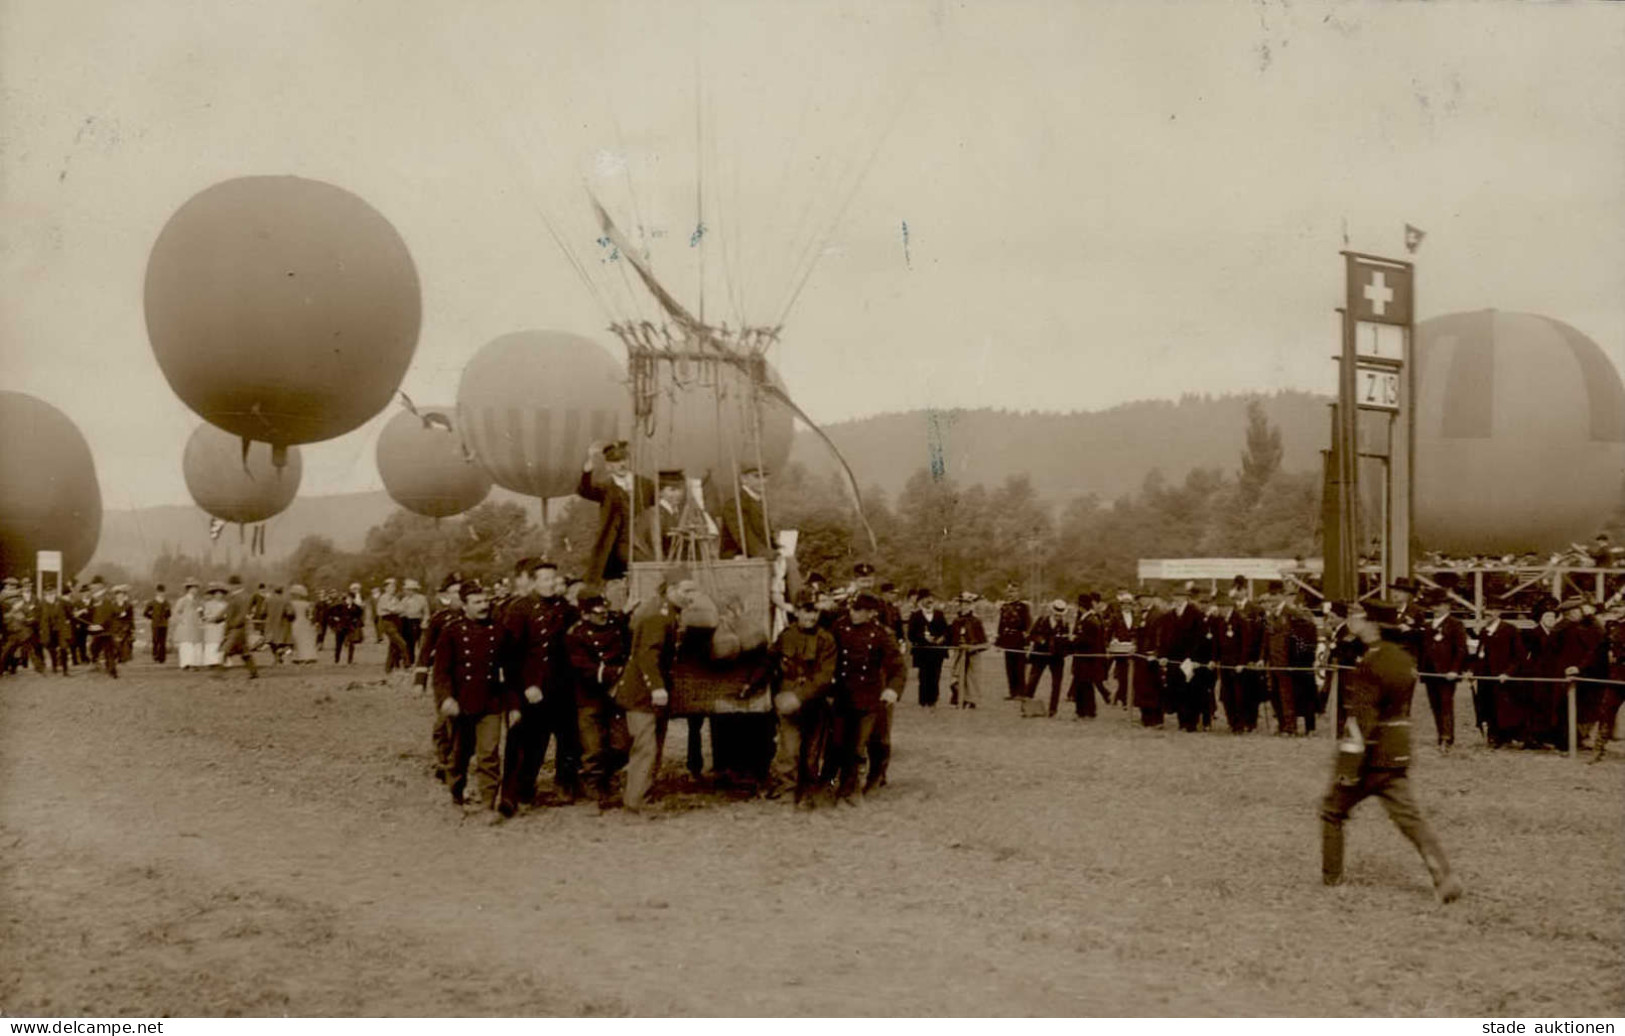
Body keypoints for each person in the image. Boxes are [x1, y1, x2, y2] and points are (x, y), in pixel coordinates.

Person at [1320, 600, 1462, 904]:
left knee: (1331, 811)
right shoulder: (1403, 660)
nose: (1355, 623)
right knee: (1411, 819)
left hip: (1369, 755)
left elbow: (1362, 718)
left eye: (1360, 619)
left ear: (1373, 626)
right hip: (1397, 750)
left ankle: (1332, 880)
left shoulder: (1371, 662)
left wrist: (1348, 766)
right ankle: (1444, 875)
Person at [613, 568, 693, 812]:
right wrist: (656, 687)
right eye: (686, 591)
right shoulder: (658, 616)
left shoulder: (668, 612)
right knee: (646, 747)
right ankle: (636, 800)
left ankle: (642, 793)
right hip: (641, 694)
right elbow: (647, 656)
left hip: (650, 692)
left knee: (652, 745)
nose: (691, 596)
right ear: (671, 590)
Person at [434, 580, 509, 817]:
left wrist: (514, 705)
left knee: (489, 754)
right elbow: (441, 672)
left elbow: (511, 670)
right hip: (461, 704)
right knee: (459, 755)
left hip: (491, 702)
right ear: (465, 605)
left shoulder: (499, 631)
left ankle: (488, 803)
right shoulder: (452, 631)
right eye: (477, 602)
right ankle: (456, 796)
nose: (483, 606)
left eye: (485, 601)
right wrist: (446, 699)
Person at [829, 592, 906, 803]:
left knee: (860, 744)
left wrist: (892, 689)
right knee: (838, 742)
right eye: (853, 609)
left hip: (868, 696)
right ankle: (840, 786)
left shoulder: (881, 634)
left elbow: (898, 667)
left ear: (871, 613)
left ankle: (857, 787)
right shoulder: (839, 628)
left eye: (860, 610)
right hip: (843, 693)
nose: (854, 613)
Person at [767, 594, 838, 804]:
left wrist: (799, 696)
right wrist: (750, 684)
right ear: (796, 612)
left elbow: (825, 676)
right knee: (789, 749)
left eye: (814, 611)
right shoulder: (786, 636)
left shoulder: (826, 639)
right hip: (787, 701)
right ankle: (787, 791)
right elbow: (770, 661)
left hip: (814, 701)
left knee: (812, 751)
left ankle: (809, 792)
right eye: (806, 611)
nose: (810, 616)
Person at [566, 594, 630, 807]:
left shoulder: (615, 626)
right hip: (589, 696)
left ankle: (611, 780)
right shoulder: (576, 635)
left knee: (620, 744)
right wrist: (614, 673)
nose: (604, 615)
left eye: (605, 610)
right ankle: (593, 789)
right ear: (584, 615)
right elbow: (584, 668)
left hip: (616, 695)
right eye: (598, 613)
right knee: (593, 747)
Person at [577, 440, 656, 585]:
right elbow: (585, 490)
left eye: (624, 459)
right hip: (617, 544)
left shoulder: (645, 484)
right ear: (608, 466)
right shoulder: (605, 488)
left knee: (650, 569)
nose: (621, 465)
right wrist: (587, 471)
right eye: (615, 461)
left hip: (645, 541)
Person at [414, 573, 465, 783]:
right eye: (454, 592)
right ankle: (443, 759)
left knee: (463, 722)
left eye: (461, 592)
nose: (459, 597)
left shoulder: (475, 617)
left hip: (467, 678)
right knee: (445, 719)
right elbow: (425, 651)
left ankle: (456, 759)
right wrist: (419, 682)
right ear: (445, 595)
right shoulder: (439, 620)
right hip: (444, 678)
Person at [1416, 590, 1468, 752]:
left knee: (1446, 705)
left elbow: (1461, 650)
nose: (1436, 608)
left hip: (1446, 674)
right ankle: (1440, 735)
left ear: (1447, 607)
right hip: (1429, 672)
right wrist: (1420, 669)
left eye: (1439, 605)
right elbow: (1421, 650)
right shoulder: (1427, 625)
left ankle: (1447, 738)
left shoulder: (1455, 624)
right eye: (1434, 606)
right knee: (1435, 705)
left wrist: (1455, 670)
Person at [1469, 603, 1524, 747]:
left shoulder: (1510, 630)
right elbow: (1480, 654)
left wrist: (1508, 673)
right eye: (1486, 611)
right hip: (1485, 677)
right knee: (1486, 707)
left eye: (1491, 611)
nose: (1488, 614)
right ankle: (1492, 736)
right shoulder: (1484, 631)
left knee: (1503, 708)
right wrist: (1473, 673)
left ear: (1499, 612)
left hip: (1502, 678)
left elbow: (1519, 656)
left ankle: (1505, 736)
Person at [1025, 600, 1071, 715]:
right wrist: (1040, 640)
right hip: (1040, 656)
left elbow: (1066, 642)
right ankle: (1027, 705)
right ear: (1051, 612)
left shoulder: (1065, 625)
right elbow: (1031, 635)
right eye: (1056, 614)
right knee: (1033, 680)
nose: (1058, 617)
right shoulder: (1041, 621)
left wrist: (1063, 650)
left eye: (1060, 615)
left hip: (1056, 658)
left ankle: (1053, 709)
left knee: (1056, 683)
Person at [718, 464, 774, 560]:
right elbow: (744, 536)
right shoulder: (734, 504)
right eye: (757, 476)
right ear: (743, 479)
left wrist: (779, 549)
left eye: (765, 476)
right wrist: (767, 553)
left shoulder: (759, 503)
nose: (763, 481)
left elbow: (766, 536)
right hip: (736, 558)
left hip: (758, 555)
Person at [1067, 593, 1108, 719]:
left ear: (1081, 607)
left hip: (1087, 659)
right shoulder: (1087, 619)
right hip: (1084, 658)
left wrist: (1074, 640)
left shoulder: (1090, 621)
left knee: (1085, 686)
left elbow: (1088, 640)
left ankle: (1086, 711)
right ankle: (1084, 711)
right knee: (1083, 685)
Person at [907, 590, 949, 707]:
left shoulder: (939, 614)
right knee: (924, 675)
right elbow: (911, 634)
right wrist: (924, 638)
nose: (929, 601)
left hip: (937, 651)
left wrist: (941, 638)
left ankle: (933, 699)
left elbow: (946, 630)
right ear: (921, 601)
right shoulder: (916, 616)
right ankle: (923, 699)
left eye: (931, 598)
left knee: (936, 674)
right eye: (926, 599)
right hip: (923, 651)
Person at [948, 593, 987, 709]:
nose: (964, 606)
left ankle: (971, 700)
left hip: (973, 653)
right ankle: (960, 698)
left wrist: (973, 647)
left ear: (971, 606)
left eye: (967, 604)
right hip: (959, 653)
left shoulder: (976, 621)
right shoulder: (956, 621)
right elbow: (950, 638)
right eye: (962, 604)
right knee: (956, 677)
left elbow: (985, 643)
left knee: (972, 678)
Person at [995, 584, 1031, 699]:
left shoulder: (1023, 607)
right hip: (1008, 639)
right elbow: (1001, 624)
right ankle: (1013, 692)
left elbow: (1027, 625)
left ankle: (1021, 692)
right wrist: (999, 641)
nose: (1012, 594)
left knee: (1020, 667)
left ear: (1018, 593)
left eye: (1014, 592)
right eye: (1010, 592)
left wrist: (1027, 642)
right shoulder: (1004, 607)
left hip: (1019, 639)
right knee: (1009, 667)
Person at [220, 575, 259, 679]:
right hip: (238, 628)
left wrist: (233, 624)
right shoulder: (236, 596)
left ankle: (218, 673)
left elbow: (242, 613)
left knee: (225, 650)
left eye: (230, 585)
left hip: (236, 628)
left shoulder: (242, 597)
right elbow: (227, 611)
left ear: (235, 585)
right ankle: (253, 672)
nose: (229, 587)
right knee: (244, 652)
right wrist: (216, 619)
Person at [38, 584, 73, 676]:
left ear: (55, 592)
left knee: (64, 648)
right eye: (47, 592)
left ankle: (65, 669)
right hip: (48, 630)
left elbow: (69, 613)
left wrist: (67, 621)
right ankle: (54, 666)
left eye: (52, 592)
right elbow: (38, 617)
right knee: (51, 648)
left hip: (61, 629)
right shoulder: (41, 604)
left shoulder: (62, 602)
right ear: (45, 593)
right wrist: (41, 628)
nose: (50, 594)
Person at [172, 579, 203, 669]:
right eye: (193, 588)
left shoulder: (198, 601)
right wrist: (182, 620)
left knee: (195, 644)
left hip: (195, 625)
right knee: (187, 645)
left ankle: (195, 663)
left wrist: (201, 618)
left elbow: (201, 612)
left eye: (196, 588)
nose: (195, 590)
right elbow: (176, 612)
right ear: (189, 589)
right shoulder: (182, 600)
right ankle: (186, 663)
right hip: (186, 626)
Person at [330, 585, 364, 665]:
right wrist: (335, 620)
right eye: (347, 599)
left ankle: (350, 660)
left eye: (351, 599)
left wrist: (356, 622)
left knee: (351, 644)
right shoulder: (339, 607)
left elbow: (359, 616)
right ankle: (337, 659)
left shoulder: (357, 608)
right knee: (338, 644)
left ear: (353, 599)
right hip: (340, 627)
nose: (349, 600)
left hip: (350, 628)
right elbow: (331, 614)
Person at [398, 578, 429, 665]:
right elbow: (400, 610)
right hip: (405, 621)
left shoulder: (422, 599)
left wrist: (425, 621)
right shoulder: (404, 599)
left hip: (416, 621)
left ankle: (418, 661)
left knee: (416, 642)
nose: (407, 591)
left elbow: (426, 612)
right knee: (407, 642)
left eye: (409, 590)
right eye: (406, 590)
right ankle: (409, 661)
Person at [286, 585, 318, 663]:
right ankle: (308, 656)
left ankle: (297, 657)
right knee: (306, 640)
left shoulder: (291, 603)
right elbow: (310, 614)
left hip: (295, 622)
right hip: (305, 623)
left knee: (296, 641)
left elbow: (289, 614)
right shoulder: (307, 604)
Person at [143, 585, 172, 664]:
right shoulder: (152, 603)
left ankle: (162, 658)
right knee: (155, 640)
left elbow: (169, 614)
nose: (161, 594)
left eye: (162, 592)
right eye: (159, 592)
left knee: (163, 641)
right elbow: (145, 613)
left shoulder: (166, 603)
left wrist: (166, 615)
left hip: (164, 624)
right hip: (155, 624)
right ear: (156, 592)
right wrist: (152, 617)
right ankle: (155, 656)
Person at [201, 584, 228, 666]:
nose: (219, 595)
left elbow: (228, 615)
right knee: (212, 644)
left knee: (221, 643)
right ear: (213, 595)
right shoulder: (208, 604)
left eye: (220, 594)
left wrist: (224, 619)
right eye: (217, 594)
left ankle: (221, 661)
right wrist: (213, 619)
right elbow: (205, 615)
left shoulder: (225, 604)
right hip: (212, 627)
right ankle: (211, 661)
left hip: (222, 626)